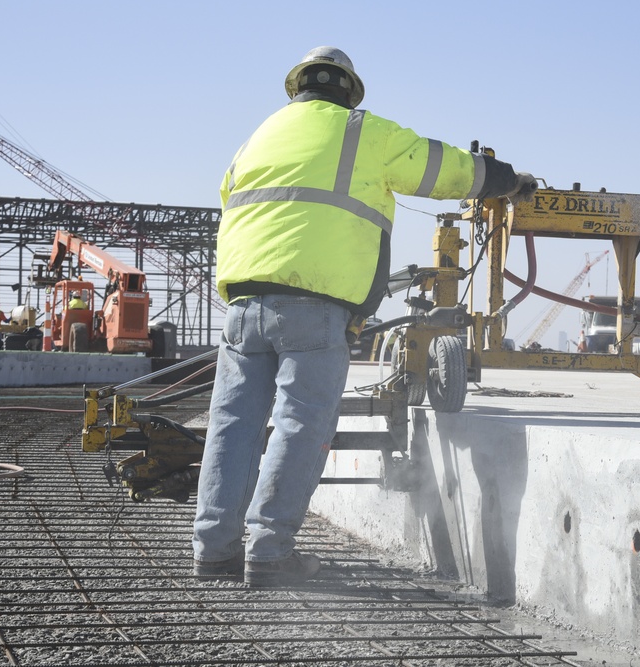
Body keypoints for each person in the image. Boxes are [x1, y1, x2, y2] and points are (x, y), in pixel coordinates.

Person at [192, 46, 537, 587]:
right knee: (300, 424)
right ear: (348, 90)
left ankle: (213, 551)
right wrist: (507, 178)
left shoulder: (257, 137)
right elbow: (445, 168)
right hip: (314, 305)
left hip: (241, 305)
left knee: (231, 426)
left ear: (298, 87)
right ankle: (269, 551)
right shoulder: (361, 131)